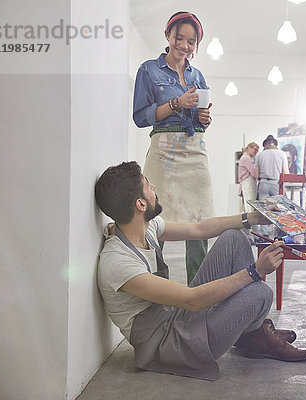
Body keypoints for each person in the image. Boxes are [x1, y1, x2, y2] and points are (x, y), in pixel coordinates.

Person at [94, 161, 306, 381]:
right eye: (147, 184)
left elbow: (197, 229)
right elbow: (192, 301)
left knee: (233, 237)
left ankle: (252, 336)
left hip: (176, 317)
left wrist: (252, 218)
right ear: (140, 205)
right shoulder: (118, 262)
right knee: (260, 293)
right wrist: (254, 271)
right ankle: (255, 335)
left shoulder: (144, 226)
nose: (153, 187)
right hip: (169, 344)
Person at [132, 11, 213, 285]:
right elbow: (141, 117)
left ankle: (198, 292)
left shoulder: (198, 75)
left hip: (195, 148)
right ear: (168, 35)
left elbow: (201, 115)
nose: (185, 46)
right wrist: (177, 103)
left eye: (191, 41)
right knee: (155, 219)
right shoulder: (148, 70)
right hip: (164, 149)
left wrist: (204, 118)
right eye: (180, 38)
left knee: (198, 225)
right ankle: (156, 288)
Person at [255, 135, 289, 201]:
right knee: (277, 207)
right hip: (276, 184)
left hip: (263, 184)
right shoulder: (282, 154)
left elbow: (256, 175)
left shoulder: (259, 155)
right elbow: (286, 173)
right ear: (275, 144)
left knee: (263, 208)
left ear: (264, 145)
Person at [238, 142, 259, 212]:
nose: (256, 152)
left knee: (247, 205)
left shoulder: (245, 158)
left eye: (257, 150)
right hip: (248, 183)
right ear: (249, 148)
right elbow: (254, 174)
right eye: (255, 149)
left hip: (247, 183)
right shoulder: (246, 158)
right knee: (250, 206)